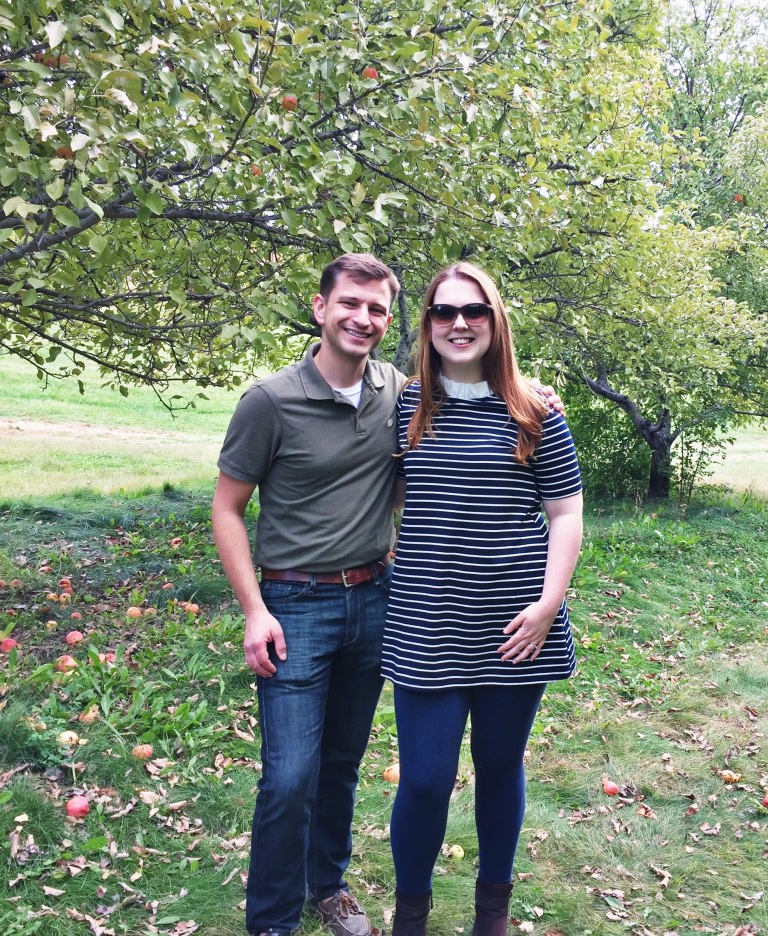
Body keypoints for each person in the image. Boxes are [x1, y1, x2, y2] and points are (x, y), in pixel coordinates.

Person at [382, 263, 584, 936]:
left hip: (515, 625)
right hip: (425, 622)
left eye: (474, 311)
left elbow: (566, 514)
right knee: (425, 780)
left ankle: (489, 913)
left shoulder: (536, 411)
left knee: (499, 765)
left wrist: (549, 605)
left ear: (496, 323)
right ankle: (411, 914)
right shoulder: (404, 406)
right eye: (444, 312)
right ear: (428, 324)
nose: (459, 323)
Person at [211, 253, 403, 936]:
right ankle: (270, 920)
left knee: (343, 763)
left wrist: (533, 392)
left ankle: (330, 888)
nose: (363, 318)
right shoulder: (269, 402)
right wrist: (253, 611)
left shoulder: (397, 392)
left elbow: (474, 397)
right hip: (294, 606)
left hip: (374, 601)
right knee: (289, 776)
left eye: (377, 308)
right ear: (321, 308)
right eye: (350, 303)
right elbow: (228, 508)